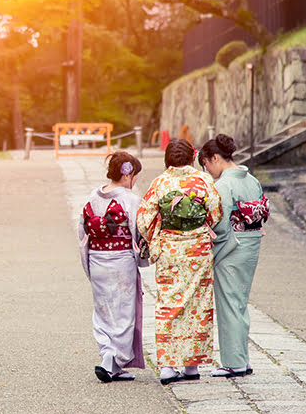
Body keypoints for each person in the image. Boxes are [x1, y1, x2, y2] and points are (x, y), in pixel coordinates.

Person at [136, 139, 223, 385]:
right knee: (197, 305)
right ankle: (191, 366)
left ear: (168, 159)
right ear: (192, 157)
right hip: (197, 251)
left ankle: (167, 366)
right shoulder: (203, 180)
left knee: (168, 304)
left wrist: (158, 234)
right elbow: (215, 212)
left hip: (170, 252)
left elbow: (143, 219)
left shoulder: (160, 182)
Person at [199, 134, 270, 378]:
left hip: (231, 247)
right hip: (251, 243)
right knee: (239, 302)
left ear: (215, 158)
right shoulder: (251, 180)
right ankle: (242, 359)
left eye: (207, 164)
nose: (208, 171)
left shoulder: (223, 185)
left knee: (229, 303)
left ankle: (234, 362)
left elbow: (219, 223)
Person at [78, 151, 148, 383]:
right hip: (121, 262)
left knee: (103, 310)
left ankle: (108, 356)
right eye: (135, 175)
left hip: (97, 259)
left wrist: (88, 260)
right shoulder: (131, 199)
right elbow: (140, 234)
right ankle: (112, 361)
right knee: (124, 312)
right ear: (128, 175)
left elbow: (83, 231)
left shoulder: (93, 196)